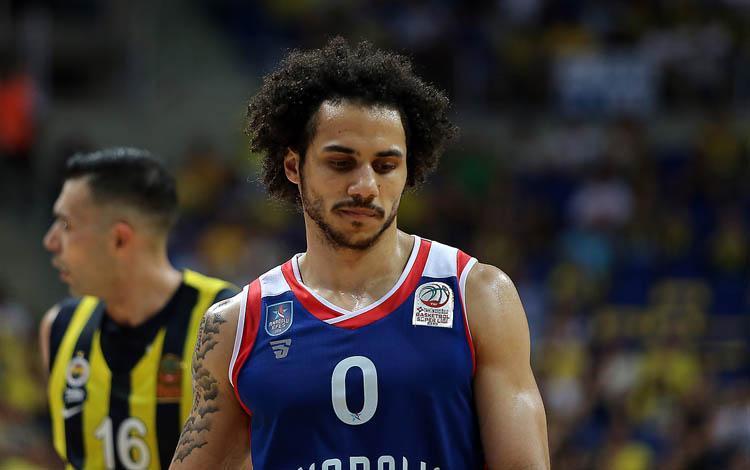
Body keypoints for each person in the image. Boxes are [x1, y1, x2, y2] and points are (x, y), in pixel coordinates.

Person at [171, 38, 550, 469]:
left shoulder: (478, 295)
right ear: (294, 166)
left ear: (409, 169)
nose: (365, 186)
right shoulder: (236, 326)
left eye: (385, 166)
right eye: (341, 163)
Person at [39, 148, 238, 469]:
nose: (50, 241)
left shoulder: (228, 321)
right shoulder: (59, 327)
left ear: (119, 239)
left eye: (65, 224)